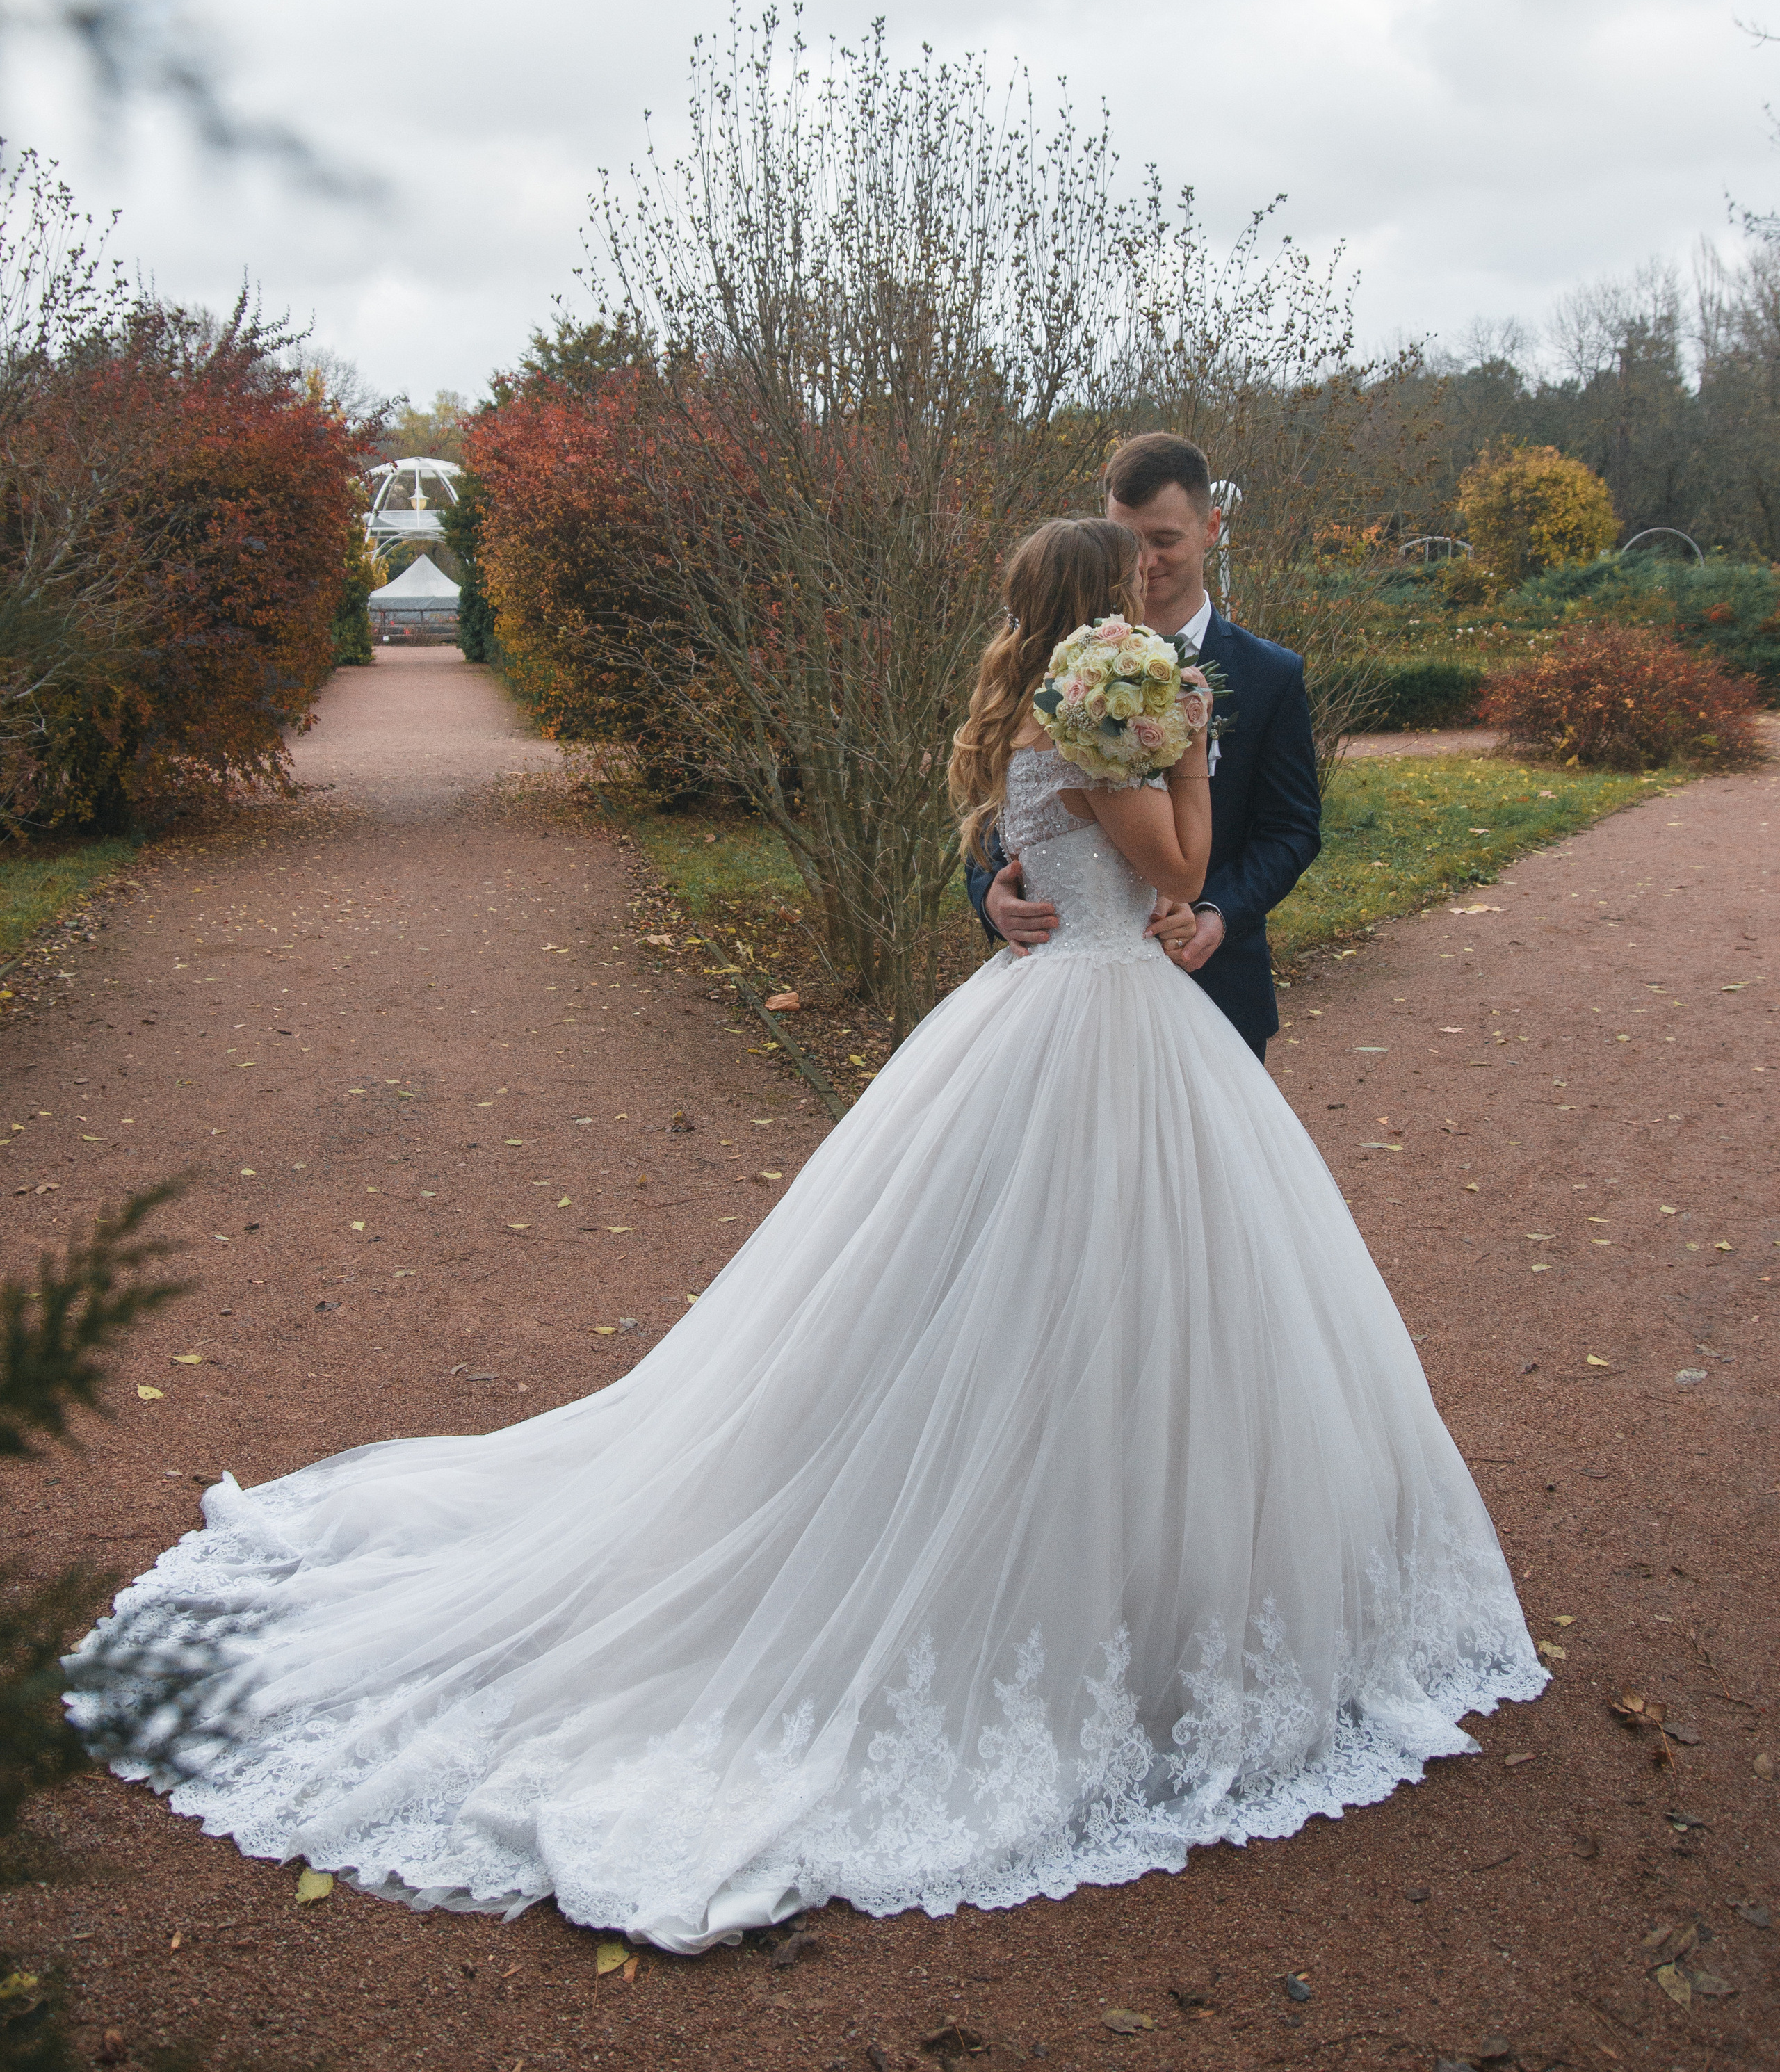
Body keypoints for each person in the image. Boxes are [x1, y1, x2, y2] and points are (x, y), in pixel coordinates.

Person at [71, 518, 1544, 1957]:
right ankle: (1094, 1596)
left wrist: (1126, 788)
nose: (1150, 605)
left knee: (1056, 1305)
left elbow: (1040, 864)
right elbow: (1174, 874)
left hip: (1052, 1026)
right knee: (1082, 1304)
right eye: (1128, 592)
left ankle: (1150, 1582)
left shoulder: (1036, 727)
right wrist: (1189, 750)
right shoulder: (1107, 731)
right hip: (1104, 1026)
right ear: (1097, 620)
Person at [966, 432, 1320, 1059]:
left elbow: (1292, 829)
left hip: (1217, 984)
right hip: (1073, 993)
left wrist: (1215, 910)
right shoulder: (1042, 682)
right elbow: (997, 817)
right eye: (1131, 544)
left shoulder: (1271, 675)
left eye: (1164, 541)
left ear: (1211, 527)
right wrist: (994, 893)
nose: (1147, 563)